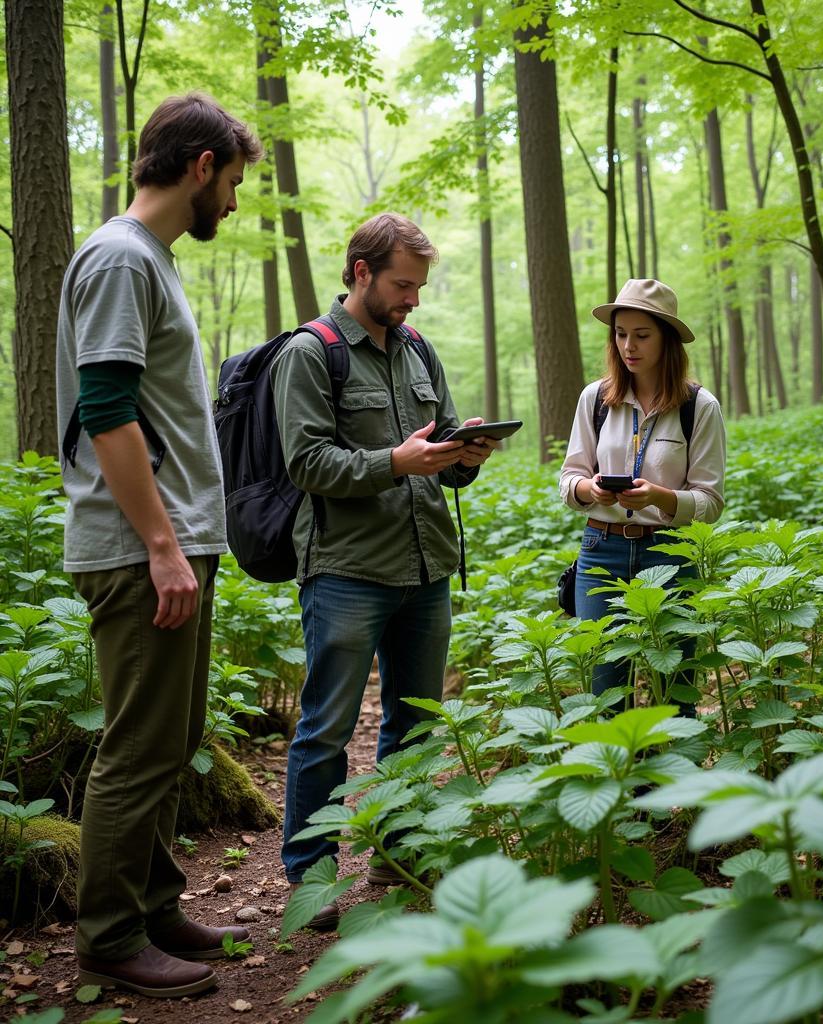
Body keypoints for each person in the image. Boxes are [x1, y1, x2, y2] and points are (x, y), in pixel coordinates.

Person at [56, 93, 262, 998]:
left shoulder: (150, 262)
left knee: (172, 739)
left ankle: (154, 906)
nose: (235, 204)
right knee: (139, 746)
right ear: (203, 167)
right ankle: (106, 937)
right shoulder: (117, 259)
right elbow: (105, 413)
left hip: (171, 541)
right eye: (236, 184)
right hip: (140, 547)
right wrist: (162, 546)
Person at [271, 212, 498, 927]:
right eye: (404, 284)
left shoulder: (419, 349)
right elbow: (305, 463)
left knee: (415, 722)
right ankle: (311, 879)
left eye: (421, 286)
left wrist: (464, 458)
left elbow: (442, 450)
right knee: (327, 730)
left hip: (426, 564)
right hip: (345, 570)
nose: (414, 300)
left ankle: (400, 850)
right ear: (361, 271)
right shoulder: (310, 354)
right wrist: (394, 461)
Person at [559, 278, 726, 707]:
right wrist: (590, 489)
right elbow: (569, 479)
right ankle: (621, 773)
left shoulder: (698, 407)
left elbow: (709, 502)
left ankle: (674, 773)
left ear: (667, 339)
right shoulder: (595, 399)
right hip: (601, 551)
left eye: (642, 335)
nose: (628, 346)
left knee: (677, 687)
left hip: (670, 553)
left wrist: (659, 497)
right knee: (605, 686)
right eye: (620, 334)